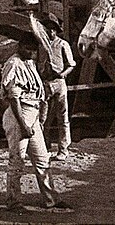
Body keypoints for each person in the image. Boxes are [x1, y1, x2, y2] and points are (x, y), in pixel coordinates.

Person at [0, 34, 64, 211]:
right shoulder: (14, 64)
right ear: (20, 46)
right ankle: (13, 202)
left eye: (34, 49)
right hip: (19, 115)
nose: (31, 52)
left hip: (32, 114)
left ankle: (51, 198)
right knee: (17, 161)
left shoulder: (29, 62)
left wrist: (36, 121)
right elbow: (14, 100)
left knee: (42, 159)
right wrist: (24, 125)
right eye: (27, 48)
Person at [30, 13, 75, 161]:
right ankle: (44, 147)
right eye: (47, 29)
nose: (50, 32)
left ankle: (63, 149)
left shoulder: (62, 44)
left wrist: (63, 74)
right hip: (45, 84)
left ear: (56, 30)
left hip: (59, 83)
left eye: (52, 29)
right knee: (42, 118)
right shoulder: (41, 46)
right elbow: (35, 64)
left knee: (62, 117)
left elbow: (71, 64)